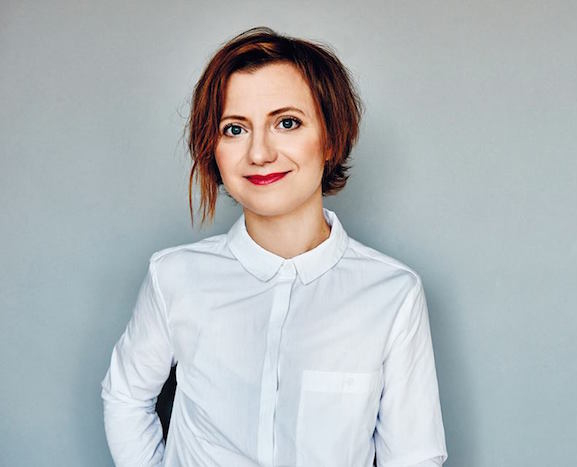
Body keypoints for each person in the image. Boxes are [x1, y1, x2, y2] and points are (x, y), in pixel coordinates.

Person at [100, 26, 448, 467]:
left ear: (330, 138)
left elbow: (414, 456)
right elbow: (125, 396)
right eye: (234, 129)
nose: (259, 153)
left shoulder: (393, 293)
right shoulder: (174, 277)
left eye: (287, 123)